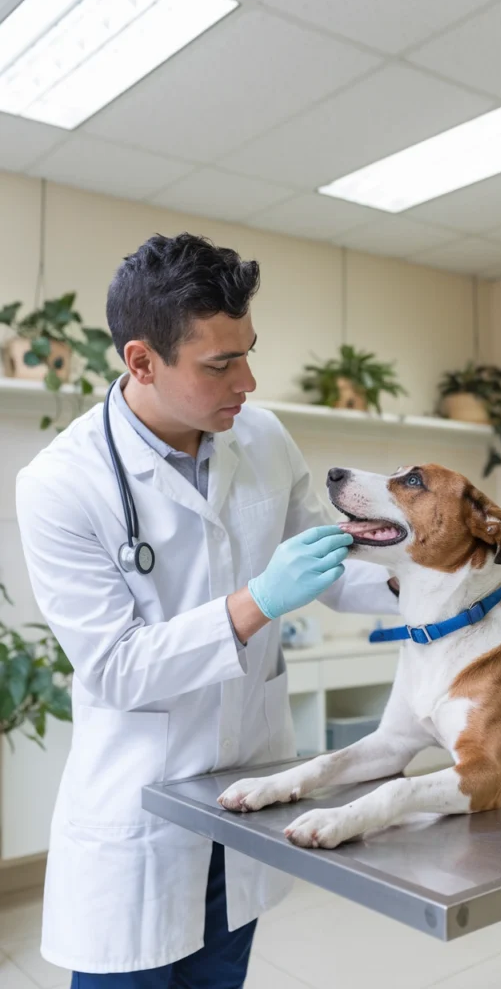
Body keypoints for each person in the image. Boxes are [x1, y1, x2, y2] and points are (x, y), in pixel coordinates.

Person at [16, 233, 399, 988]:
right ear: (141, 362)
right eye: (220, 364)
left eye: (248, 352)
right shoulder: (59, 484)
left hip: (245, 797)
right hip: (140, 825)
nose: (248, 381)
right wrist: (254, 604)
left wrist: (430, 586)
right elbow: (118, 668)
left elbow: (325, 568)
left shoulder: (259, 436)